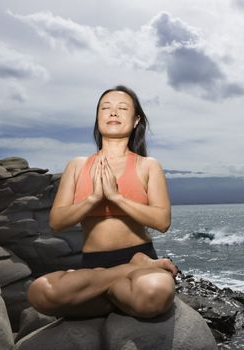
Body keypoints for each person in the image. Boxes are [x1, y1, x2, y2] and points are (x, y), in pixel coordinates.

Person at [27, 85, 178, 319]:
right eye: (105, 108)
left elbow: (162, 221)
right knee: (40, 292)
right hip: (95, 265)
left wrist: (116, 197)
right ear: (98, 117)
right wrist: (94, 198)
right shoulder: (77, 165)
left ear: (136, 120)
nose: (113, 113)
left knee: (154, 294)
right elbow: (57, 222)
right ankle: (126, 276)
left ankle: (107, 293)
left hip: (138, 252)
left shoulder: (148, 165)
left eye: (122, 108)